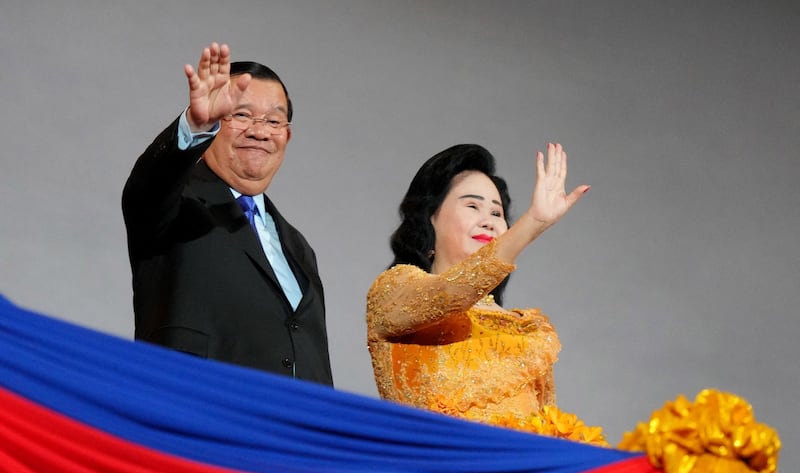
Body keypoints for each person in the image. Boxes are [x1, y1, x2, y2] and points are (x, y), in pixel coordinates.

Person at [123, 42, 333, 386]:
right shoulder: (176, 203)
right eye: (242, 115)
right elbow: (149, 185)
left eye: (273, 120)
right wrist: (194, 126)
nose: (260, 131)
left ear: (287, 135)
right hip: (195, 406)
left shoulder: (299, 247)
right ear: (215, 120)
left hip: (290, 418)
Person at [367, 143, 603, 442]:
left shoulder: (527, 330)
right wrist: (533, 223)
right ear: (430, 217)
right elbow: (450, 292)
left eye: (497, 212)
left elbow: (548, 432)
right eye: (472, 206)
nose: (489, 221)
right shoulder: (393, 291)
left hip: (522, 470)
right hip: (441, 468)